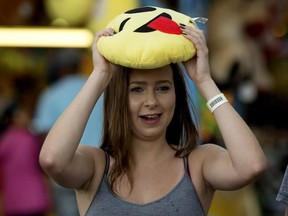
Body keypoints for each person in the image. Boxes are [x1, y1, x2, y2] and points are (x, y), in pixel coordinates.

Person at [39, 24, 267, 215]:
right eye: (137, 90)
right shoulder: (97, 165)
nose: (151, 101)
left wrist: (204, 81)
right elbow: (52, 160)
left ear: (176, 96)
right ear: (119, 98)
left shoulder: (198, 163)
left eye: (163, 88)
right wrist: (99, 77)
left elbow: (252, 166)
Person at [33, 48, 104, 216]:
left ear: (60, 69)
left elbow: (43, 133)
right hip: (102, 166)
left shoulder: (51, 94)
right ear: (80, 66)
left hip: (65, 167)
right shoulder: (100, 89)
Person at [0, 101, 51, 216]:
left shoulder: (4, 139)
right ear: (13, 118)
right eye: (24, 114)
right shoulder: (29, 139)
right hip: (34, 197)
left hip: (13, 200)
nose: (28, 117)